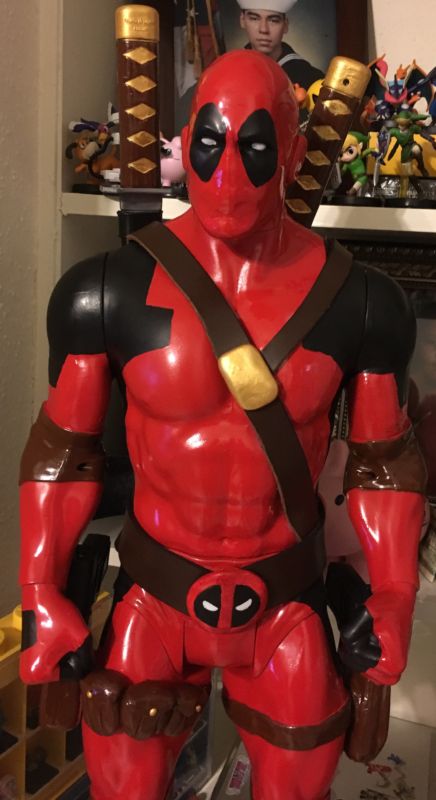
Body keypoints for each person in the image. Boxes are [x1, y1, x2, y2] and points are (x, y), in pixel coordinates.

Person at [18, 50, 426, 800]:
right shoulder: (106, 291)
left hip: (286, 607)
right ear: (185, 141)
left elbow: (384, 462)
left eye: (257, 146)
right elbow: (62, 451)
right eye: (210, 142)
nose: (229, 171)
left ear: (293, 156)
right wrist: (42, 588)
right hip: (154, 598)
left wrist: (395, 593)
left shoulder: (362, 303)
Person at [238, 0, 323, 89]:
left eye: (273, 20)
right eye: (254, 19)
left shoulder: (312, 80)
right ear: (242, 20)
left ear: (285, 25)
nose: (263, 29)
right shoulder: (232, 69)